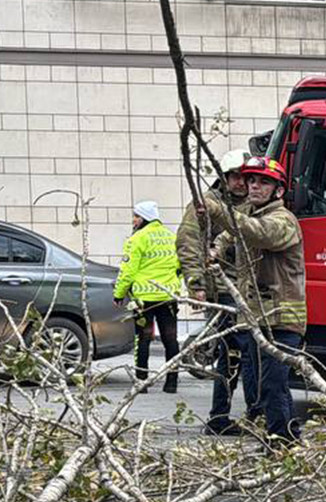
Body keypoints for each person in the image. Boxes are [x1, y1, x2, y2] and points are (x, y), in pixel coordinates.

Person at [207, 157, 305, 447]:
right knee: (271, 385)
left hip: (282, 317)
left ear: (278, 191)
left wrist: (216, 209)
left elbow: (257, 233)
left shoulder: (283, 220)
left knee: (272, 384)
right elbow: (229, 233)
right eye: (251, 180)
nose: (254, 186)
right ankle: (288, 438)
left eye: (264, 182)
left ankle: (279, 443)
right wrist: (216, 249)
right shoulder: (248, 212)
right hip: (257, 316)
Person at [178, 148, 262, 435]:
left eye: (246, 176)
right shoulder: (206, 205)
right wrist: (197, 284)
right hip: (224, 288)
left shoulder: (255, 204)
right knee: (232, 356)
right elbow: (188, 241)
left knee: (253, 354)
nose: (242, 182)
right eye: (236, 176)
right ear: (224, 177)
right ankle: (220, 417)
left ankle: (249, 413)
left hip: (251, 290)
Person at [114, 200, 183, 392]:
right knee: (171, 339)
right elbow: (180, 266)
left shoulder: (137, 239)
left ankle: (141, 382)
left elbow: (127, 270)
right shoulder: (171, 237)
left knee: (143, 338)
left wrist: (119, 293)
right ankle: (172, 383)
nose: (133, 221)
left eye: (136, 217)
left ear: (144, 218)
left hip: (144, 300)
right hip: (168, 297)